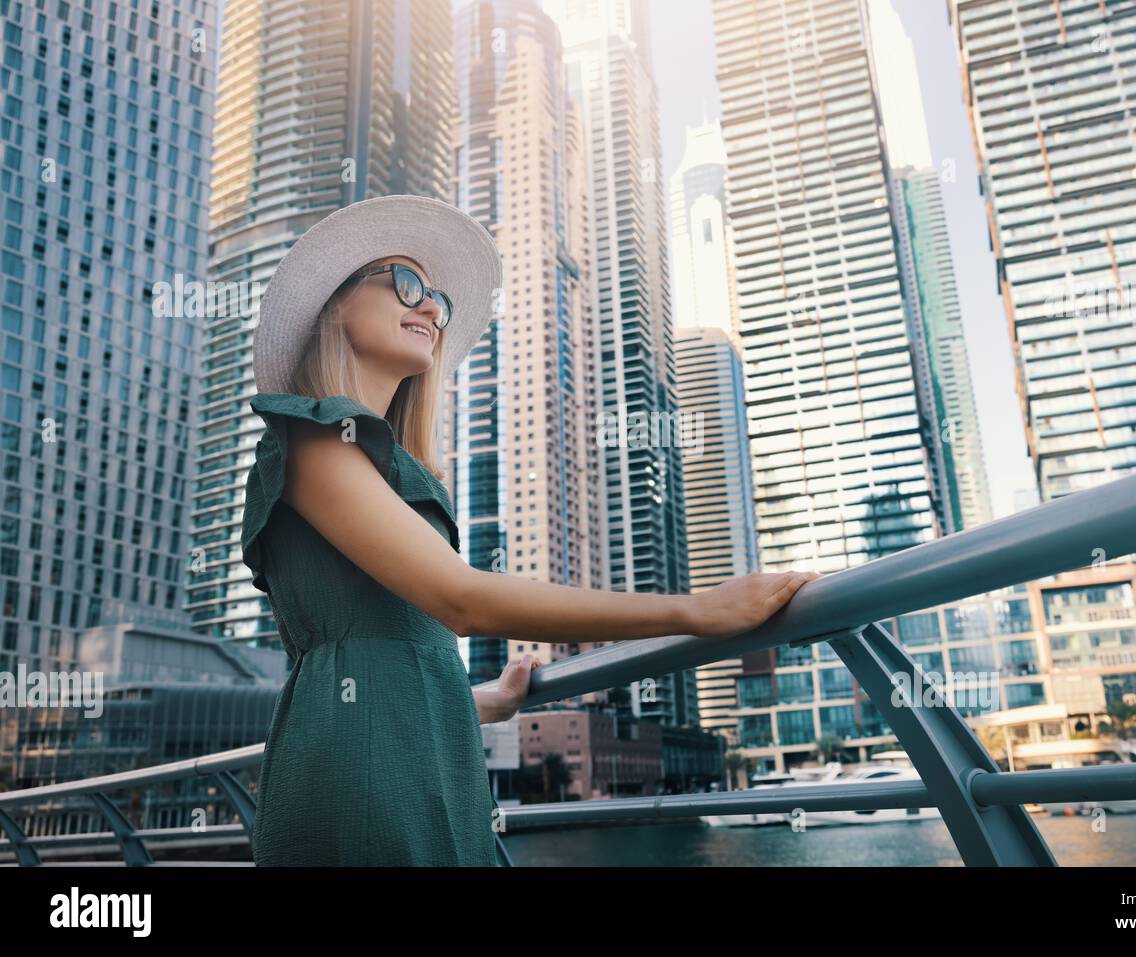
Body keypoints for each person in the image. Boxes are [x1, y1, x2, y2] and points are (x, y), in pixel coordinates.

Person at [241, 194, 818, 866]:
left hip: (425, 764)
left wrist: (488, 699)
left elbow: (395, 649)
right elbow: (458, 600)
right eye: (404, 282)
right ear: (336, 305)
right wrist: (696, 611)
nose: (430, 307)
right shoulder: (311, 440)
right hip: (363, 770)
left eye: (437, 300)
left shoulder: (383, 461)